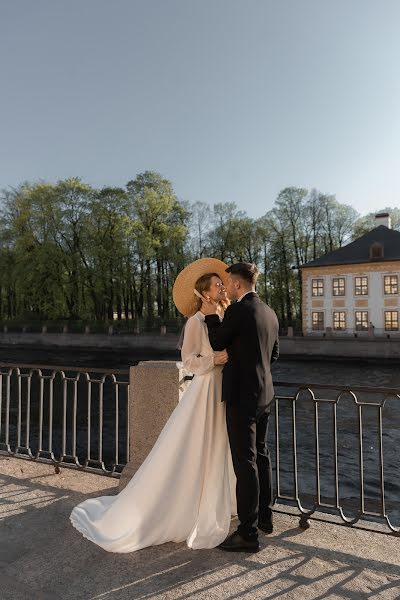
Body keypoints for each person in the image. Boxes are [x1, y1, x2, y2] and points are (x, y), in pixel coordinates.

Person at [69, 258, 236, 552]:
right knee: (199, 445)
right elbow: (188, 362)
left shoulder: (224, 316)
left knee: (222, 445)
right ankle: (191, 506)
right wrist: (214, 360)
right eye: (217, 284)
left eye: (222, 283)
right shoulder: (195, 322)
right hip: (207, 389)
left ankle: (224, 499)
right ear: (205, 293)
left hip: (224, 388)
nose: (222, 286)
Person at [202, 262, 279, 553]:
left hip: (242, 397)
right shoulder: (270, 313)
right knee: (261, 456)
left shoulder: (237, 310)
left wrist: (211, 318)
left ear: (236, 284)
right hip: (265, 395)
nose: (227, 287)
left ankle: (247, 534)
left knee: (244, 463)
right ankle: (266, 519)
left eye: (228, 283)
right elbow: (274, 355)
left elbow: (218, 342)